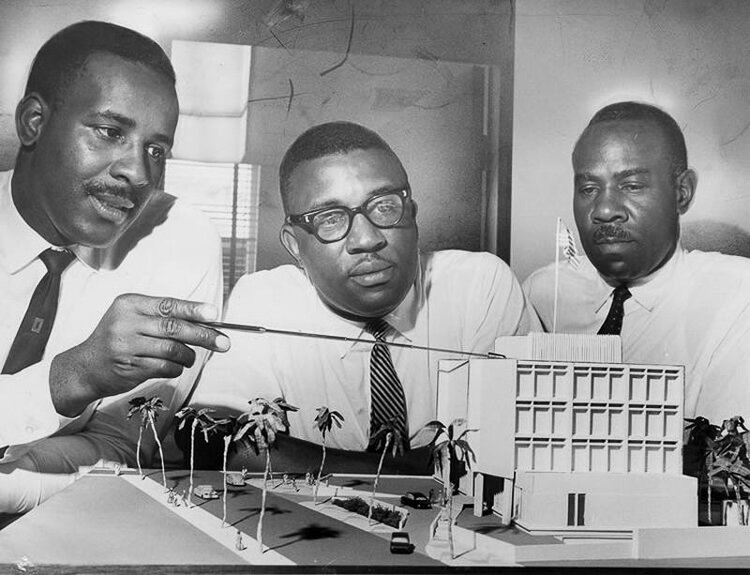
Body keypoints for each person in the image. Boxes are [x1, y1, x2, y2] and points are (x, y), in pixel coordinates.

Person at [188, 121, 537, 472]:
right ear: (294, 245)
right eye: (330, 219)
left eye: (384, 207)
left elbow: (514, 444)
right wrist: (409, 468)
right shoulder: (264, 300)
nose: (367, 239)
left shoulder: (479, 286)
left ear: (413, 214)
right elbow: (214, 439)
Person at [0, 21, 229, 513]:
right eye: (109, 132)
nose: (139, 173)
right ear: (33, 122)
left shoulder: (181, 240)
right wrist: (71, 377)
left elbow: (121, 451)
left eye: (156, 150)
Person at [524, 101, 750, 424]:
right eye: (588, 188)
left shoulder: (737, 297)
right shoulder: (543, 294)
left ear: (682, 192)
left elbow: (727, 460)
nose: (604, 210)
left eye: (630, 186)